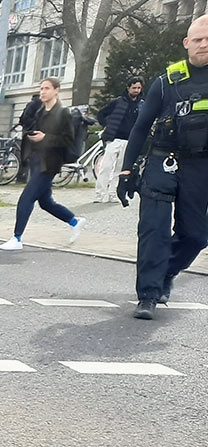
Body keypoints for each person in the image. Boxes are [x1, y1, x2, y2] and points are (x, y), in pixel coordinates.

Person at [117, 14, 208, 321]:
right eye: (198, 39)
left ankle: (166, 271)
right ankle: (149, 295)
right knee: (153, 230)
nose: (204, 44)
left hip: (201, 166)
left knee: (196, 235)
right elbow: (141, 127)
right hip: (162, 160)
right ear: (186, 43)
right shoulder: (166, 82)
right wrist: (126, 170)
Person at [0, 77, 85, 251]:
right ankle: (74, 221)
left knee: (26, 198)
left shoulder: (63, 113)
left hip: (50, 163)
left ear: (56, 90)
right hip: (36, 160)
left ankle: (17, 238)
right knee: (45, 202)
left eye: (46, 88)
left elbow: (68, 139)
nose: (42, 92)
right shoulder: (40, 111)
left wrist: (46, 137)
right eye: (41, 89)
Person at [93, 78, 144, 203]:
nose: (136, 90)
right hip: (114, 138)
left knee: (120, 169)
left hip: (130, 141)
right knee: (106, 167)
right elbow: (101, 114)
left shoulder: (142, 104)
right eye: (134, 88)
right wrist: (106, 125)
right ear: (128, 88)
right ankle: (99, 194)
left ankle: (113, 194)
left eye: (138, 88)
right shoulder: (118, 102)